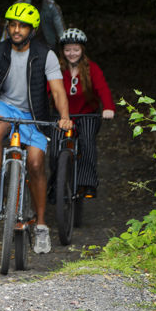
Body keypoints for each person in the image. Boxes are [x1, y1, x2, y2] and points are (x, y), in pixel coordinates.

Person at [0, 2, 72, 254]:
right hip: (5, 106)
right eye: (12, 24)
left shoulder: (46, 54)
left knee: (35, 164)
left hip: (36, 114)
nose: (16, 30)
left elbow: (57, 89)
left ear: (32, 30)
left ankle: (41, 225)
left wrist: (64, 116)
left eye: (22, 26)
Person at [54, 27, 115, 198]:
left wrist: (108, 107)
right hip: (62, 115)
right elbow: (49, 90)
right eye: (67, 50)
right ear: (62, 51)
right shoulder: (57, 69)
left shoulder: (91, 68)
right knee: (54, 150)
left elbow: (103, 88)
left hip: (87, 114)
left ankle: (86, 184)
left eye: (75, 49)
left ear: (82, 50)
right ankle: (55, 186)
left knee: (87, 142)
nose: (71, 53)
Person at [0, 0, 65, 48]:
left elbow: (60, 29)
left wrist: (65, 46)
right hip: (22, 44)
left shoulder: (52, 6)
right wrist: (3, 46)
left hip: (47, 44)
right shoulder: (20, 4)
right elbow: (8, 27)